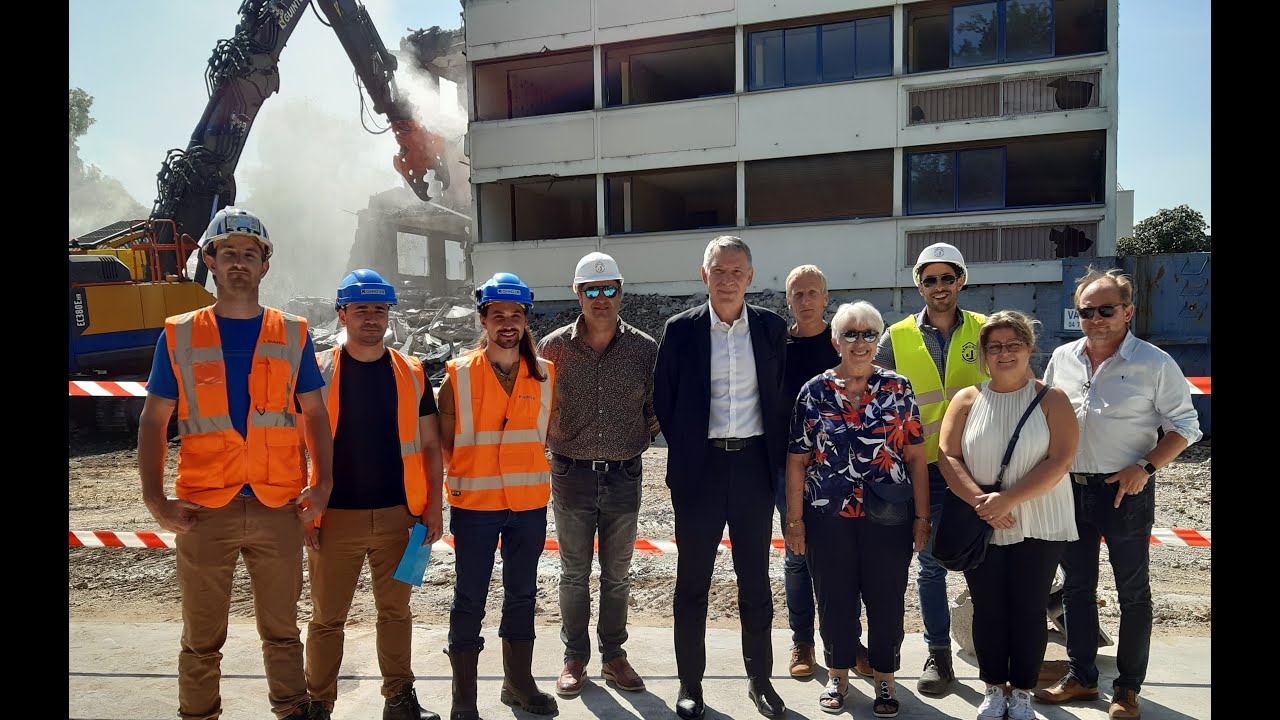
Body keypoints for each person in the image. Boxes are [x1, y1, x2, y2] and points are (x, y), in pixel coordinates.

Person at [136, 206, 334, 719]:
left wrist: (323, 482)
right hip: (204, 509)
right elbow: (153, 420)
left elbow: (314, 413)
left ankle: (290, 710)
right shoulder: (178, 334)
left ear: (265, 265)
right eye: (229, 254)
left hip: (278, 505)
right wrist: (156, 500)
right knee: (201, 636)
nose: (240, 263)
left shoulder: (292, 334)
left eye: (250, 254)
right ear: (211, 261)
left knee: (283, 630)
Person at [1035, 268, 1202, 720]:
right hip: (1071, 489)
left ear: (1128, 311)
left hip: (1125, 490)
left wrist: (1145, 466)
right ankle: (1082, 677)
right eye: (1086, 311)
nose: (1096, 319)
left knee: (1132, 592)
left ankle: (1127, 689)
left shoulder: (1154, 363)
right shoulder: (1063, 358)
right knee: (1076, 589)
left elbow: (1186, 427)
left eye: (1107, 310)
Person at [654, 236, 789, 720]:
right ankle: (690, 685)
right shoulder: (681, 330)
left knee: (755, 581)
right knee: (692, 582)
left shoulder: (773, 329)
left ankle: (761, 683)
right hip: (700, 472)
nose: (727, 279)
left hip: (754, 469)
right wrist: (691, 451)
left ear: (751, 277)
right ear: (703, 274)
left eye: (737, 271)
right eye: (719, 270)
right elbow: (665, 401)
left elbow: (780, 397)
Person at [302, 269, 444, 720]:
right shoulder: (318, 371)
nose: (371, 317)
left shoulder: (411, 371)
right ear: (341, 313)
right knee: (327, 620)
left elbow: (428, 445)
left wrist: (434, 509)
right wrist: (304, 511)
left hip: (399, 519)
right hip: (333, 518)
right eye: (361, 308)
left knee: (396, 614)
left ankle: (399, 700)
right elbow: (292, 446)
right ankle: (319, 702)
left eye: (379, 309)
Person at [784, 301, 930, 718]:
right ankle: (838, 676)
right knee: (834, 599)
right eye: (851, 334)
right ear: (836, 341)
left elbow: (917, 459)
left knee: (887, 600)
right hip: (827, 516)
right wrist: (794, 521)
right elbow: (797, 460)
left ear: (878, 340)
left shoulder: (898, 389)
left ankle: (885, 680)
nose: (860, 342)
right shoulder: (813, 392)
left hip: (889, 516)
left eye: (869, 334)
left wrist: (922, 518)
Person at [937, 311, 1080, 720]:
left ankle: (1021, 693)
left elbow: (1061, 458)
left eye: (1012, 345)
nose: (1004, 353)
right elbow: (948, 456)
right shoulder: (966, 399)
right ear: (983, 353)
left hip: (1040, 520)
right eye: (994, 346)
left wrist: (1008, 500)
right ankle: (993, 688)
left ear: (1029, 348)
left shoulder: (1052, 399)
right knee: (988, 606)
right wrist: (983, 503)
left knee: (1029, 608)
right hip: (983, 521)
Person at [537, 252, 658, 697]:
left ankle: (613, 656)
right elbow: (539, 411)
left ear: (621, 291)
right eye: (592, 290)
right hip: (571, 474)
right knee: (573, 572)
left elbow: (654, 411)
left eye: (609, 289)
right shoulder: (552, 348)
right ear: (578, 293)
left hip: (625, 475)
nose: (601, 298)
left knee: (618, 573)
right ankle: (575, 657)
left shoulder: (645, 350)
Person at [438, 272, 557, 720]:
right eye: (498, 315)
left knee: (522, 594)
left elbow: (540, 434)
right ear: (483, 319)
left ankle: (518, 683)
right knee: (469, 597)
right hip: (476, 506)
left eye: (516, 315)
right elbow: (446, 440)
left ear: (526, 319)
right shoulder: (460, 375)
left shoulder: (545, 375)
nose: (508, 323)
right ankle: (463, 697)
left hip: (527, 505)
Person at [875, 242, 989, 696]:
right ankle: (939, 654)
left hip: (978, 464)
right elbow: (876, 397)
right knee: (930, 565)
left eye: (947, 277)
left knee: (986, 561)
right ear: (918, 284)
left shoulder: (984, 329)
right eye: (930, 279)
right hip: (923, 468)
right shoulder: (897, 335)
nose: (939, 287)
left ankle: (993, 650)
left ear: (961, 280)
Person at [775, 265, 872, 680]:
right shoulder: (775, 345)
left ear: (826, 297)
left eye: (813, 292)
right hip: (790, 468)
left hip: (843, 469)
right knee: (798, 557)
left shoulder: (844, 343)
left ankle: (849, 641)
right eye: (798, 293)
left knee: (844, 558)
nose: (806, 300)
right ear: (789, 300)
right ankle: (802, 641)